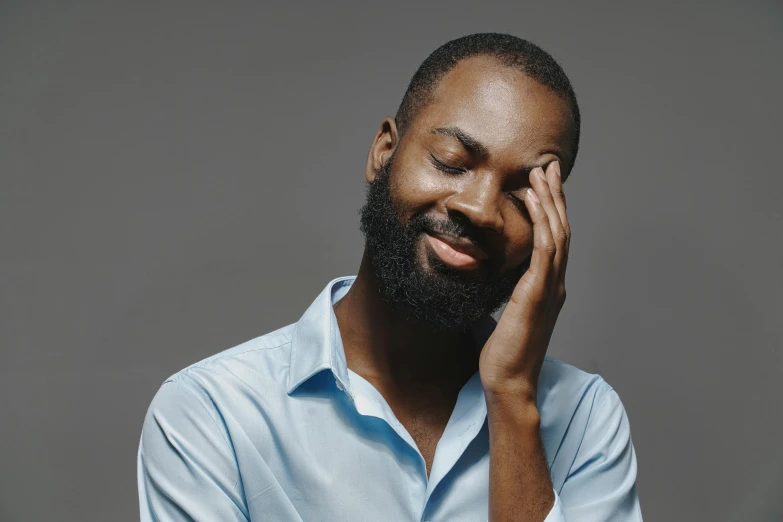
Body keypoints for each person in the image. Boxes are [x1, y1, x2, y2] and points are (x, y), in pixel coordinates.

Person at [137, 33, 642, 521]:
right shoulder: (211, 415)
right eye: (450, 162)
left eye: (521, 194)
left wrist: (511, 393)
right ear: (383, 152)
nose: (481, 209)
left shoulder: (584, 420)